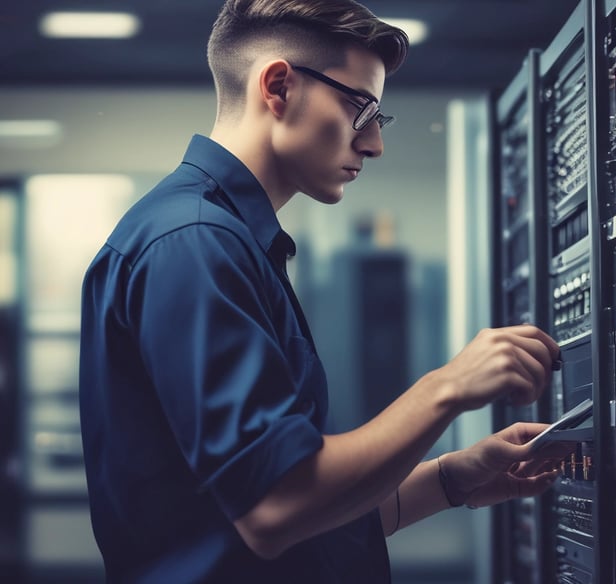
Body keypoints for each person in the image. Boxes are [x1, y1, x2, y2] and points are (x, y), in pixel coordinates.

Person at [79, 0, 568, 582]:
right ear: (279, 86)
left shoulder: (223, 238)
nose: (373, 145)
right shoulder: (194, 243)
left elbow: (294, 517)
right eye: (360, 107)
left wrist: (450, 478)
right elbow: (275, 507)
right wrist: (448, 386)